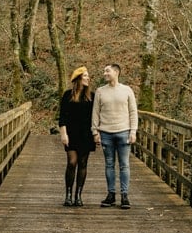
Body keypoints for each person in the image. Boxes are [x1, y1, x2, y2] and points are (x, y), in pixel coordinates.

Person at [91, 63, 138, 209]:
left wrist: (133, 131)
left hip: (123, 131)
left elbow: (133, 112)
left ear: (116, 72)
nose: (104, 73)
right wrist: (95, 131)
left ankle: (124, 195)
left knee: (124, 165)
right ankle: (111, 194)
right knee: (109, 165)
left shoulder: (127, 90)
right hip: (106, 133)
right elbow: (95, 112)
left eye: (107, 71)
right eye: (104, 71)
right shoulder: (100, 91)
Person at [58, 66, 95, 207]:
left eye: (88, 76)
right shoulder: (68, 95)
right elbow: (62, 117)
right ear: (78, 78)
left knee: (83, 164)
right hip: (71, 134)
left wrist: (97, 134)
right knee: (72, 162)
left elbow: (96, 117)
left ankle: (78, 195)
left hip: (86, 134)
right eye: (85, 76)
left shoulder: (92, 96)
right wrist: (63, 134)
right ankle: (68, 195)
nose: (88, 78)